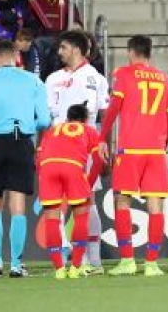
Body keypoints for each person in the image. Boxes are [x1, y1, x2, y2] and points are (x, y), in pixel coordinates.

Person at [98, 35, 168, 277]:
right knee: (156, 205)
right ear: (149, 52)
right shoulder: (165, 79)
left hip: (130, 148)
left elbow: (113, 108)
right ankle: (152, 264)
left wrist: (103, 137)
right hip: (155, 150)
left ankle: (128, 261)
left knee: (122, 201)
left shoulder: (123, 74)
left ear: (131, 52)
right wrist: (163, 144)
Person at [0, 39, 50, 277]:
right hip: (21, 142)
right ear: (16, 56)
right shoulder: (33, 80)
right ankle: (17, 265)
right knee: (17, 206)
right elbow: (45, 121)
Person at [45, 30, 109, 275]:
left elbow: (96, 112)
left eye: (63, 47)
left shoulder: (93, 77)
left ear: (77, 49)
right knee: (56, 206)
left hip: (83, 149)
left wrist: (103, 144)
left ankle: (93, 262)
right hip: (57, 147)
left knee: (87, 201)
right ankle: (66, 259)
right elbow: (50, 115)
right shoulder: (52, 79)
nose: (59, 52)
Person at [37, 104, 103, 280]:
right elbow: (98, 161)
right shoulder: (89, 130)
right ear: (86, 119)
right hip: (73, 167)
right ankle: (75, 267)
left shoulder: (53, 130)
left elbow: (38, 157)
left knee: (52, 219)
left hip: (47, 168)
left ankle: (59, 269)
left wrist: (43, 177)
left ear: (67, 118)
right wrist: (88, 183)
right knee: (81, 216)